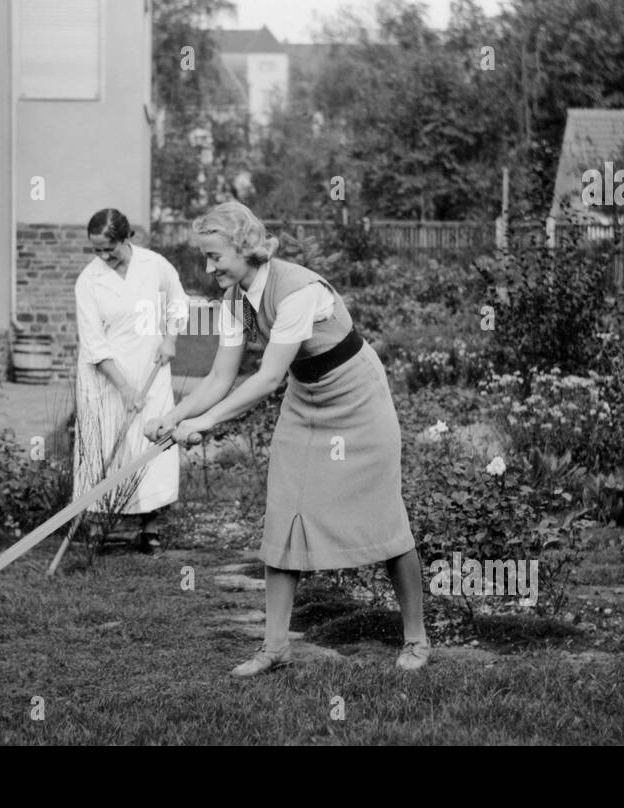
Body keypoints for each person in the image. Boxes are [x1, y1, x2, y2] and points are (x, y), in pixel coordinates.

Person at [145, 201, 429, 676]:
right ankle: (275, 646)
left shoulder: (298, 289)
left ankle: (417, 640)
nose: (208, 266)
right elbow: (221, 376)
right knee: (283, 513)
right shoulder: (235, 299)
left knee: (385, 518)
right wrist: (173, 415)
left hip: (358, 400)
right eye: (206, 257)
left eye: (215, 256)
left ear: (244, 248)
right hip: (307, 401)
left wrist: (205, 425)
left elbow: (268, 377)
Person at [74, 208, 188, 553]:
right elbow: (93, 343)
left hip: (151, 368)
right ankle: (96, 525)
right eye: (97, 250)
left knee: (152, 443)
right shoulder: (88, 281)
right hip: (106, 377)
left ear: (127, 239)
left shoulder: (155, 265)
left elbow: (178, 301)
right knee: (102, 444)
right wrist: (124, 389)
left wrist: (170, 338)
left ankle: (150, 528)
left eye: (110, 248)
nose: (104, 257)